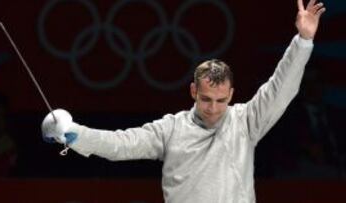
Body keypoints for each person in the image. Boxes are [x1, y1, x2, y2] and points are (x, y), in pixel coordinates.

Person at [41, 0, 326, 202]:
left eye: (219, 100)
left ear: (231, 95)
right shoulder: (170, 129)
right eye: (205, 99)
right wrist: (74, 134)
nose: (213, 108)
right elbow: (120, 144)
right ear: (192, 91)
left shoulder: (246, 121)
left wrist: (302, 41)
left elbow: (281, 88)